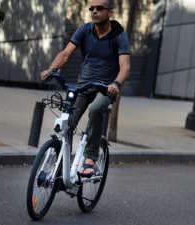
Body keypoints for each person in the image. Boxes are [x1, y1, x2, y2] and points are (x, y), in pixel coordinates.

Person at [40, 0, 130, 176]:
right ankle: (59, 165)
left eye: (99, 8)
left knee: (96, 109)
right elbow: (66, 54)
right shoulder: (84, 30)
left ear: (110, 13)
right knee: (67, 123)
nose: (94, 11)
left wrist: (116, 84)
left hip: (105, 88)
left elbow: (125, 66)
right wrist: (52, 70)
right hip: (83, 85)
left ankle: (90, 160)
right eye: (92, 8)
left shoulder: (119, 36)